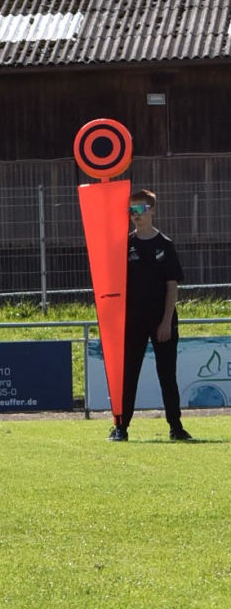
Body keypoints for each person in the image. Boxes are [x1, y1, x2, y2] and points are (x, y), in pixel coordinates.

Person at [112, 189, 192, 442]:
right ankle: (121, 427)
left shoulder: (165, 245)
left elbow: (172, 286)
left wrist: (166, 321)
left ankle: (176, 427)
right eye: (131, 210)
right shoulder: (125, 244)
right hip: (133, 320)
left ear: (152, 210)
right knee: (129, 374)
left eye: (140, 209)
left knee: (167, 374)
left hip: (161, 318)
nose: (135, 215)